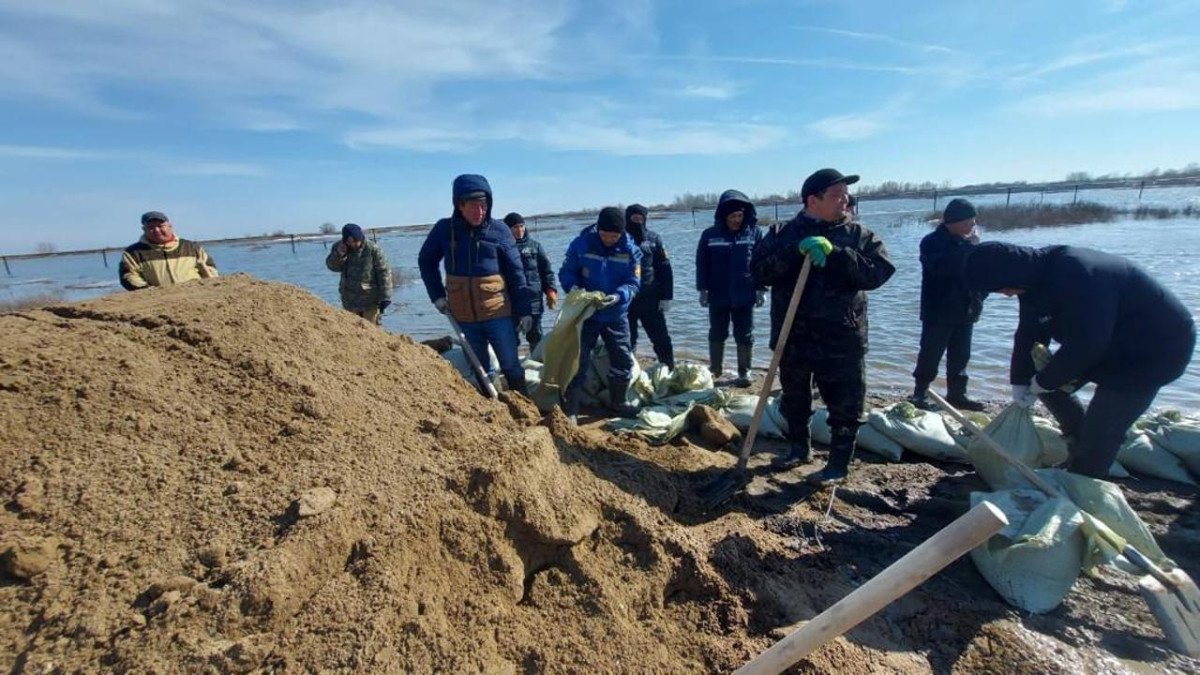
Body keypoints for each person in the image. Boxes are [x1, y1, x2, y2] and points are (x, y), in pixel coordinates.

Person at [963, 242, 1196, 479]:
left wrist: (1045, 380)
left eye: (1004, 288)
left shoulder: (1079, 274)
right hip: (1108, 346)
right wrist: (1021, 381)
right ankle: (1077, 445)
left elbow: (1089, 342)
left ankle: (1085, 482)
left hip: (1154, 351)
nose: (1008, 294)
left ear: (1011, 273)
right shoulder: (1032, 279)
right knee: (1043, 378)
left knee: (1102, 428)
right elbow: (1029, 333)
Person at [751, 169, 895, 484]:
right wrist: (793, 252)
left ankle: (838, 465)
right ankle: (798, 449)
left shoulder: (859, 235)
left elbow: (879, 274)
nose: (846, 200)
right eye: (837, 194)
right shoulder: (781, 234)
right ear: (812, 200)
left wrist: (839, 255)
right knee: (795, 398)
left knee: (846, 403)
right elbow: (759, 274)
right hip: (794, 336)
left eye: (846, 194)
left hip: (842, 337)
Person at [418, 174, 533, 394]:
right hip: (463, 318)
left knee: (510, 365)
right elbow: (426, 261)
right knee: (480, 369)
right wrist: (437, 295)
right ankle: (494, 409)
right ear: (459, 205)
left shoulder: (500, 231)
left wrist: (524, 311)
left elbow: (517, 274)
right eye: (473, 206)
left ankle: (525, 406)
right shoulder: (445, 230)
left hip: (498, 314)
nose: (479, 212)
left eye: (483, 205)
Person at [559, 207, 643, 422]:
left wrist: (618, 296)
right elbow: (566, 273)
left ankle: (618, 402)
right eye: (605, 235)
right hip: (586, 313)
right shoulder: (582, 245)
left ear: (621, 234)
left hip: (615, 313)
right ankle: (572, 409)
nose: (609, 240)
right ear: (598, 230)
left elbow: (634, 283)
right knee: (578, 359)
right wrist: (576, 290)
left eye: (613, 236)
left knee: (623, 358)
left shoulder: (630, 250)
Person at [912, 198, 986, 411]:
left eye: (974, 222)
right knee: (930, 354)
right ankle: (920, 393)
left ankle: (957, 394)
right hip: (939, 311)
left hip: (966, 310)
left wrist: (981, 297)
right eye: (969, 222)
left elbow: (980, 275)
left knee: (961, 356)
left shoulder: (968, 243)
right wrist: (970, 248)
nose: (972, 227)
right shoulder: (932, 242)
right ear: (953, 221)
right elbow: (943, 267)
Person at [695, 190, 765, 387]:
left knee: (745, 333)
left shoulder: (754, 233)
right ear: (724, 216)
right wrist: (702, 289)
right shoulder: (709, 235)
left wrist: (761, 288)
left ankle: (745, 371)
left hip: (745, 293)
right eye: (732, 216)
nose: (736, 220)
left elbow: (760, 263)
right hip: (717, 294)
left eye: (740, 216)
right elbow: (702, 264)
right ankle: (715, 369)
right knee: (717, 332)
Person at [624, 204, 675, 369]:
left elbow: (665, 268)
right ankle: (630, 372)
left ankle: (669, 368)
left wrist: (666, 297)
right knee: (628, 340)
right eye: (634, 219)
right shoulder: (619, 239)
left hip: (651, 299)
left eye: (641, 219)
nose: (637, 222)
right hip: (626, 300)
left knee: (661, 338)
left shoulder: (654, 238)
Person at [119, 211, 218, 290]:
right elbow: (129, 276)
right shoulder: (133, 252)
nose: (156, 230)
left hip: (194, 294)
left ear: (170, 226)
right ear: (144, 229)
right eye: (151, 227)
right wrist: (148, 290)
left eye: (160, 226)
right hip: (157, 300)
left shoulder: (191, 247)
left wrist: (207, 286)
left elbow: (210, 268)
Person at [503, 212, 558, 351]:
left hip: (534, 301)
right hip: (511, 302)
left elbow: (547, 272)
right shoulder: (502, 248)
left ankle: (538, 364)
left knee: (536, 337)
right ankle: (512, 367)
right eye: (515, 227)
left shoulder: (535, 246)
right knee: (510, 338)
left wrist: (551, 290)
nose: (519, 230)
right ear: (508, 229)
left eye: (521, 226)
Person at [324, 223, 392, 324]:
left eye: (356, 241)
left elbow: (384, 272)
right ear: (346, 240)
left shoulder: (373, 249)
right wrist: (339, 255)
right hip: (349, 301)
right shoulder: (339, 247)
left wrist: (386, 297)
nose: (354, 244)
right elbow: (332, 267)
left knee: (372, 331)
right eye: (350, 242)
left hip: (370, 300)